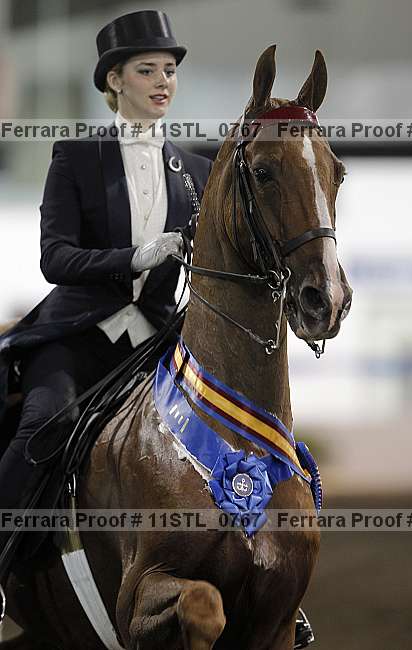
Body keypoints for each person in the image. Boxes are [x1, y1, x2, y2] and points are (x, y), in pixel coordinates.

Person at [0, 10, 314, 647]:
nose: (163, 81)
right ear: (114, 80)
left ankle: (275, 586)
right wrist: (134, 257)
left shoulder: (196, 170)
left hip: (159, 340)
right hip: (79, 337)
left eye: (169, 70)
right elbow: (55, 258)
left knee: (246, 436)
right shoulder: (76, 157)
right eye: (147, 70)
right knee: (38, 429)